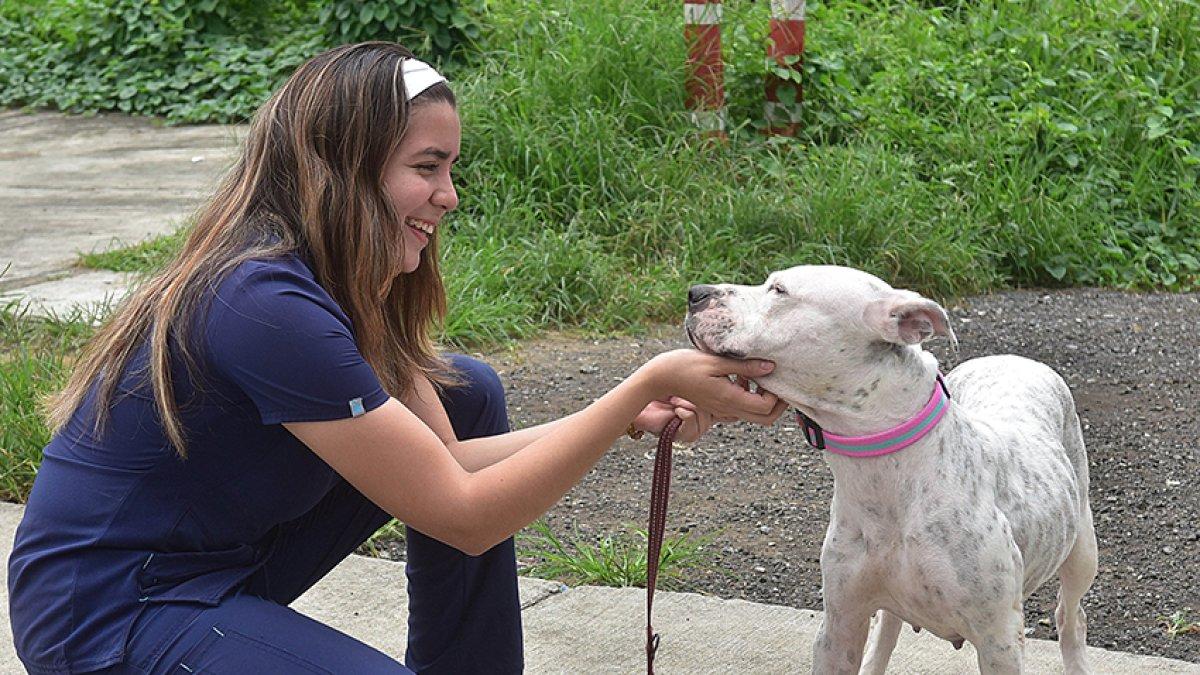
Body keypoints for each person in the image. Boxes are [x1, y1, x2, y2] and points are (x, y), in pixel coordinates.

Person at [7, 42, 786, 674]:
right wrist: (642, 384)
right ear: (344, 166)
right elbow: (466, 515)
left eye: (450, 169)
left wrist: (625, 415)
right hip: (110, 609)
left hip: (216, 566)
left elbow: (448, 462)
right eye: (426, 167)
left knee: (466, 390)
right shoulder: (263, 302)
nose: (450, 194)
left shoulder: (339, 280)